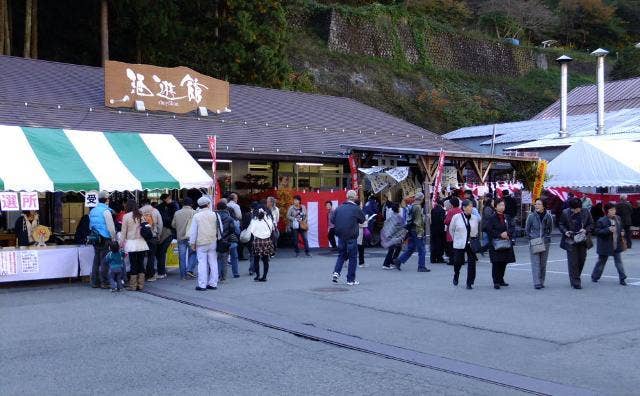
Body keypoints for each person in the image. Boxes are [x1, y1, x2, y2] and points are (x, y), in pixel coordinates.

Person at [558, 197, 594, 289]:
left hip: (583, 239)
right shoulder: (565, 213)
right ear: (571, 208)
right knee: (573, 262)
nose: (577, 210)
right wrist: (565, 231)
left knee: (581, 260)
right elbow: (561, 224)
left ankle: (575, 277)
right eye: (574, 209)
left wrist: (585, 230)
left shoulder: (586, 212)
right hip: (571, 240)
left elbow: (591, 224)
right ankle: (576, 282)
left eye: (578, 208)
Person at [331, 190, 365, 285]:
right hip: (351, 236)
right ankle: (350, 279)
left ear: (346, 197)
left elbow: (332, 220)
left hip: (341, 235)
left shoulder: (339, 208)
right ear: (354, 197)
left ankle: (336, 272)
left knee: (341, 254)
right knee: (352, 257)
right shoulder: (356, 208)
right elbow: (362, 220)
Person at [393, 192, 430, 272]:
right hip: (417, 230)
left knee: (411, 248)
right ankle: (421, 266)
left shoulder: (412, 206)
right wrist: (421, 231)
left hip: (411, 229)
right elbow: (418, 221)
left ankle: (399, 260)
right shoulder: (418, 207)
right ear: (422, 198)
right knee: (422, 249)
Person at [591, 203, 627, 286]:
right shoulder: (601, 220)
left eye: (614, 209)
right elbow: (597, 232)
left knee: (619, 262)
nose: (614, 211)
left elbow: (621, 228)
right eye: (611, 210)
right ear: (607, 211)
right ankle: (595, 276)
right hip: (605, 245)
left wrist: (622, 232)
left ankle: (622, 278)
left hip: (616, 244)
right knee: (601, 262)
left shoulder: (618, 218)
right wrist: (608, 229)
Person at [189, 196, 220, 291]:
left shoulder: (196, 216)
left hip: (201, 242)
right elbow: (219, 229)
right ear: (208, 204)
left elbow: (193, 231)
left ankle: (202, 284)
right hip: (212, 241)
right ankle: (213, 283)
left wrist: (192, 243)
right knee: (213, 262)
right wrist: (218, 238)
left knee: (202, 263)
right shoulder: (215, 214)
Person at [485, 199, 516, 289]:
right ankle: (496, 281)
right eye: (500, 205)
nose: (502, 207)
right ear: (495, 207)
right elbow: (489, 230)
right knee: (496, 263)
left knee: (504, 262)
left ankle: (501, 279)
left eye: (503, 205)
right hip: (496, 243)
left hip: (506, 242)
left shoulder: (507, 217)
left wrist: (508, 233)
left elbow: (512, 227)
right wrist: (499, 234)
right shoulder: (492, 218)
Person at [449, 199, 479, 289]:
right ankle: (456, 274)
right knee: (457, 262)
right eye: (469, 206)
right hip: (459, 242)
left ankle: (469, 282)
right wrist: (456, 239)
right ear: (464, 208)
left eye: (472, 206)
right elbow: (451, 229)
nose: (471, 208)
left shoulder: (475, 218)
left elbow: (476, 230)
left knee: (472, 263)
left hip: (471, 243)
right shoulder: (456, 217)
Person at [88, 192, 116, 289]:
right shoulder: (106, 211)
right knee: (104, 260)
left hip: (95, 238)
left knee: (96, 260)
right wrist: (114, 237)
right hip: (105, 237)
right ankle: (105, 282)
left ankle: (94, 282)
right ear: (107, 199)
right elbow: (111, 227)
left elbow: (90, 225)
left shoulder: (92, 211)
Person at [120, 199, 149, 291]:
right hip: (142, 242)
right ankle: (141, 285)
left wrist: (121, 243)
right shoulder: (141, 215)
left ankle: (133, 285)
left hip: (132, 243)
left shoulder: (126, 216)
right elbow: (147, 227)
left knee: (133, 264)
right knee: (141, 263)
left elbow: (123, 231)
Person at [525, 199, 553, 289]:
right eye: (535, 204)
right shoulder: (531, 216)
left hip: (545, 241)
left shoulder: (548, 216)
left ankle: (541, 281)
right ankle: (537, 282)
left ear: (543, 206)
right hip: (535, 240)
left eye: (539, 204)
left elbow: (551, 228)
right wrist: (531, 238)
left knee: (543, 263)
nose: (536, 206)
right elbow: (527, 229)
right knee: (535, 262)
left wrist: (547, 237)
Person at [247, 208, 275, 282]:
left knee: (256, 259)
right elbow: (272, 229)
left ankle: (257, 275)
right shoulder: (269, 220)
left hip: (257, 241)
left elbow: (252, 231)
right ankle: (264, 276)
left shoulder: (254, 221)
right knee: (265, 260)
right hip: (267, 241)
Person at [172, 197, 197, 280]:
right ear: (191, 204)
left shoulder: (177, 213)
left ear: (182, 204)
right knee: (193, 254)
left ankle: (183, 276)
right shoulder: (194, 212)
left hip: (180, 237)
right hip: (191, 237)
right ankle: (189, 270)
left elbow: (173, 225)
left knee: (182, 257)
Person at [156, 193, 178, 280]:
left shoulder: (160, 208)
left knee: (161, 252)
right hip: (169, 232)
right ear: (166, 199)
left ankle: (161, 271)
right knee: (162, 252)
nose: (170, 199)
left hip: (164, 232)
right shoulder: (173, 207)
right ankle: (162, 270)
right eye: (169, 198)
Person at [140, 199, 162, 282]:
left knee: (141, 256)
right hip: (152, 236)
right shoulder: (155, 211)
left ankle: (141, 273)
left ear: (143, 204)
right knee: (151, 256)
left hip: (142, 236)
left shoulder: (140, 211)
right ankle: (150, 274)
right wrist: (159, 234)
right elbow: (160, 224)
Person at [216, 201, 240, 281]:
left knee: (219, 258)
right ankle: (230, 275)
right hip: (228, 240)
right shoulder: (229, 218)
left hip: (217, 240)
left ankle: (219, 275)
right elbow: (233, 229)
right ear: (225, 208)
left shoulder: (214, 216)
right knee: (229, 257)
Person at [381, 202, 405, 269]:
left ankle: (391, 262)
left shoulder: (390, 216)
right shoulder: (399, 217)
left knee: (395, 248)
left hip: (389, 234)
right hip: (395, 236)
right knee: (393, 249)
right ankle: (387, 264)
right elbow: (402, 227)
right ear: (398, 209)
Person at [443, 197, 462, 266]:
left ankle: (452, 260)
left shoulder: (451, 211)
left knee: (451, 247)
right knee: (458, 247)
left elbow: (447, 221)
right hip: (459, 231)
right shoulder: (460, 210)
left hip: (451, 230)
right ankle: (460, 260)